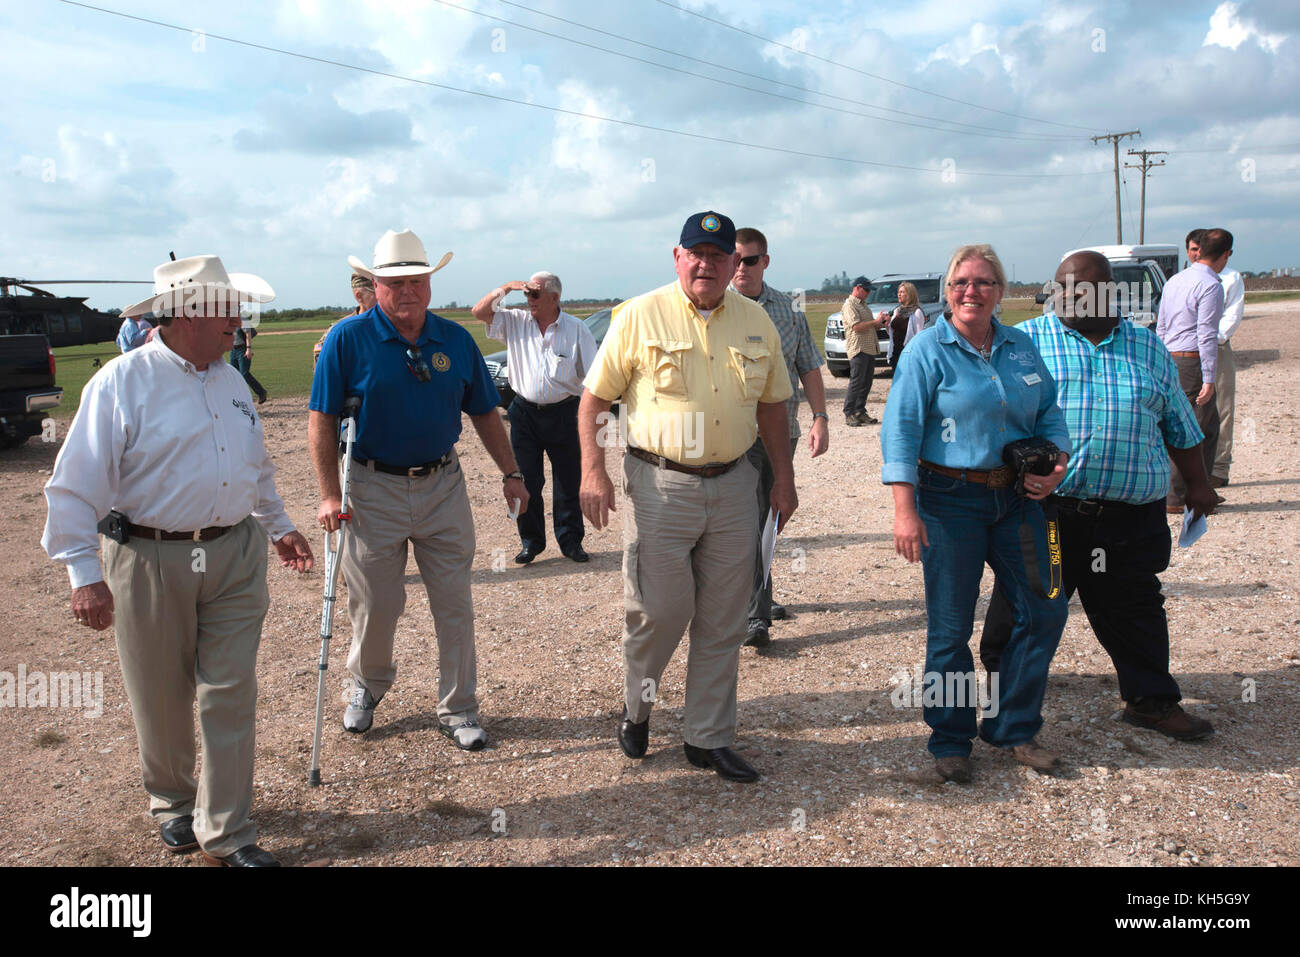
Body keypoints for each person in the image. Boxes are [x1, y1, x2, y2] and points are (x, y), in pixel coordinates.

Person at [41, 254, 315, 867]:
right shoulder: (120, 382)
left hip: (235, 554)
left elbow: (254, 465)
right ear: (187, 313)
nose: (240, 321)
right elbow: (73, 485)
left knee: (229, 689)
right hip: (148, 555)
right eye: (228, 308)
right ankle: (172, 802)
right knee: (161, 694)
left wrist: (279, 526)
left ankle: (228, 831)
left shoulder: (231, 376)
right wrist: (83, 575)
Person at [578, 210, 795, 783]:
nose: (707, 264)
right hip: (659, 487)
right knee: (659, 611)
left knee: (724, 620)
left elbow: (773, 406)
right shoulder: (638, 315)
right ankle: (638, 708)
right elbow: (594, 400)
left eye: (719, 256)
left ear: (733, 264)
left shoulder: (756, 322)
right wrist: (592, 472)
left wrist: (785, 477)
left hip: (734, 484)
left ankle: (708, 738)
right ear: (678, 258)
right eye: (695, 253)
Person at [979, 251, 1217, 742]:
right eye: (1060, 288)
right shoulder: (1026, 343)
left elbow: (1179, 424)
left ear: (1108, 291)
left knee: (1134, 609)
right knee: (1021, 608)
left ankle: (1151, 702)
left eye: (1080, 289)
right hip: (1045, 511)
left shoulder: (1148, 347)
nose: (1066, 297)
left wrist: (1197, 483)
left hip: (1128, 517)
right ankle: (1006, 707)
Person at [309, 229, 528, 752]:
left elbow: (483, 413)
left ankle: (459, 706)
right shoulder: (347, 339)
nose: (407, 291)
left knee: (454, 602)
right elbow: (319, 419)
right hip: (370, 486)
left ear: (430, 282)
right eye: (394, 283)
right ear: (376, 286)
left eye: (417, 281)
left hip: (442, 485)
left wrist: (511, 472)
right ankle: (367, 684)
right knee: (377, 603)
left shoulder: (455, 339)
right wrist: (327, 494)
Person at [882, 243, 1071, 784]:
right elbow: (900, 432)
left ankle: (1014, 726)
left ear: (1000, 292)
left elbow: (1051, 412)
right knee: (949, 629)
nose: (972, 291)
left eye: (984, 282)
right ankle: (950, 739)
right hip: (948, 501)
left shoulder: (1022, 347)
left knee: (1046, 608)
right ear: (947, 291)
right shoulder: (926, 351)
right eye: (962, 282)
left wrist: (1056, 462)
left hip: (1020, 499)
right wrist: (905, 510)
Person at [730, 226, 829, 648]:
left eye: (749, 260)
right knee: (746, 522)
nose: (740, 268)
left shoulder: (789, 312)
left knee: (772, 517)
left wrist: (821, 417)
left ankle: (756, 598)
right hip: (731, 436)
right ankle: (755, 613)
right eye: (733, 259)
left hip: (779, 434)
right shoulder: (715, 309)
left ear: (764, 261)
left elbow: (808, 366)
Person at [470, 271, 597, 564]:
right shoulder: (515, 321)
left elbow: (592, 376)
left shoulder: (576, 329)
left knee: (568, 481)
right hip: (524, 412)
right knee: (526, 482)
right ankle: (531, 542)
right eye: (526, 294)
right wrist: (507, 287)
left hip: (565, 412)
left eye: (535, 294)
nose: (529, 299)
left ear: (554, 298)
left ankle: (571, 542)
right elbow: (479, 312)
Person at [1157, 228, 1232, 513]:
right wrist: (1210, 379)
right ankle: (1181, 495)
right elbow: (1206, 334)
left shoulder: (1175, 280)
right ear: (1225, 254)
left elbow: (1161, 326)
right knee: (1198, 427)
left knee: (1182, 423)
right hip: (1193, 360)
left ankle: (1194, 490)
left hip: (1172, 357)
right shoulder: (1211, 285)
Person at [1212, 241, 1244, 489]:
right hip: (1187, 352)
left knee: (1222, 407)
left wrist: (1212, 339)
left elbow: (1232, 315)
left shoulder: (1231, 279)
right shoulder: (1182, 279)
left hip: (1217, 347)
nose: (1195, 253)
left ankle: (1219, 469)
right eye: (1191, 249)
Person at [841, 277, 884, 425]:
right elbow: (856, 326)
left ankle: (860, 411)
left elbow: (870, 326)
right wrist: (875, 322)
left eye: (869, 291)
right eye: (866, 290)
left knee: (866, 382)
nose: (868, 293)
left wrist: (881, 323)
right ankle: (849, 412)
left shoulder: (864, 305)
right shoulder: (850, 305)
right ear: (857, 288)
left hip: (869, 347)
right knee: (857, 381)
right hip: (858, 348)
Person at [314, 273, 376, 367]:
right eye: (375, 293)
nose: (381, 298)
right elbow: (322, 372)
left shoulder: (393, 324)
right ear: (359, 296)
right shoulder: (338, 331)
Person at [881, 281, 926, 368]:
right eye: (898, 292)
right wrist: (887, 325)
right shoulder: (897, 310)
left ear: (909, 294)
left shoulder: (916, 312)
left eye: (902, 292)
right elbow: (892, 333)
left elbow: (919, 336)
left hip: (909, 354)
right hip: (895, 352)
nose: (899, 294)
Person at [230, 324, 268, 404]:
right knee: (233, 374)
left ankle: (261, 392)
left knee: (244, 373)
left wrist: (249, 349)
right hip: (233, 350)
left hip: (242, 349)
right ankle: (238, 397)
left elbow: (248, 333)